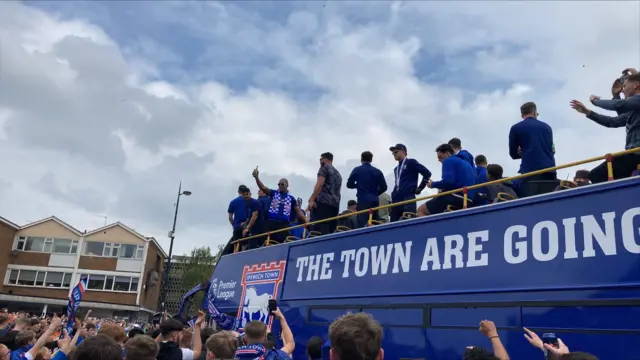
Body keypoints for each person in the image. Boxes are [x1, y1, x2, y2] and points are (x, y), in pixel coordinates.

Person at [570, 73, 640, 183]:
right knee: (596, 175)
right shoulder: (634, 110)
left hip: (636, 155)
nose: (623, 90)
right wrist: (587, 112)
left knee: (596, 175)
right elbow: (612, 121)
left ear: (636, 85)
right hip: (633, 155)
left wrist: (595, 101)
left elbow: (619, 105)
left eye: (625, 86)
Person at [508, 102, 556, 195]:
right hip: (550, 170)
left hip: (530, 172)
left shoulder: (516, 128)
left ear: (522, 115)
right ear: (535, 113)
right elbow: (552, 150)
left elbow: (513, 154)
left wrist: (522, 153)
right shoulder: (547, 127)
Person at [418, 144, 476, 216]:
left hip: (455, 197)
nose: (439, 160)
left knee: (421, 210)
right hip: (469, 200)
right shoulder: (466, 163)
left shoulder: (448, 160)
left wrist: (432, 184)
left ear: (447, 153)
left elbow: (448, 182)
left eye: (440, 157)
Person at [253, 169, 307, 243]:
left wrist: (306, 221)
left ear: (287, 185)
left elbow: (299, 212)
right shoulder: (274, 193)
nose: (280, 186)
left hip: (283, 224)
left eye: (282, 184)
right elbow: (263, 188)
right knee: (265, 240)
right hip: (271, 223)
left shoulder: (291, 198)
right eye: (279, 184)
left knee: (287, 240)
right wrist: (256, 178)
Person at [388, 144, 431, 222]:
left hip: (407, 198)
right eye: (393, 153)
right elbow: (397, 183)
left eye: (396, 152)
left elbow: (427, 173)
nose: (394, 154)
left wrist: (420, 188)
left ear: (403, 152)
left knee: (408, 222)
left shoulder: (411, 162)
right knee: (393, 225)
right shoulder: (396, 169)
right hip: (396, 200)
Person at [346, 151, 387, 228]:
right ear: (371, 160)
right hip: (375, 200)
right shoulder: (377, 171)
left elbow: (349, 184)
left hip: (363, 200)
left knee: (362, 223)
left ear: (361, 159)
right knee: (374, 222)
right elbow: (384, 187)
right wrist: (375, 193)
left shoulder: (357, 170)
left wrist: (358, 185)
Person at [308, 153, 342, 235]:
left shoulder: (324, 168)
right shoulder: (338, 174)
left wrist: (312, 199)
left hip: (324, 203)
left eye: (321, 159)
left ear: (325, 159)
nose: (320, 161)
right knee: (331, 230)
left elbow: (320, 184)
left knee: (320, 229)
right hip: (335, 206)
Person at [226, 185, 260, 251]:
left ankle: (235, 259)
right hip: (247, 226)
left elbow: (230, 217)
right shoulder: (249, 200)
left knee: (236, 246)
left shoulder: (233, 202)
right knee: (245, 245)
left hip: (237, 227)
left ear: (238, 191)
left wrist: (235, 225)